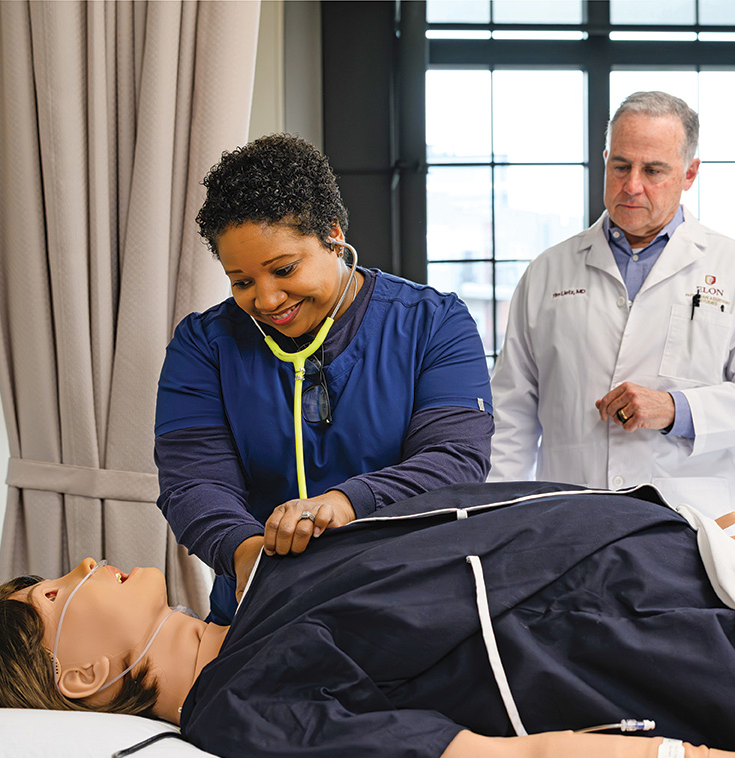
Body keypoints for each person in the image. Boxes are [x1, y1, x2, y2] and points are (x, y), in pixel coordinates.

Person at [0, 481, 735, 758]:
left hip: (698, 569)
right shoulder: (249, 712)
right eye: (57, 592)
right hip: (685, 648)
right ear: (79, 678)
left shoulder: (269, 577)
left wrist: (661, 531)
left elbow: (472, 523)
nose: (84, 563)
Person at [155, 134, 493, 623]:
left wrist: (344, 503)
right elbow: (193, 482)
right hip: (262, 609)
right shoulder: (203, 347)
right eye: (243, 282)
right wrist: (249, 557)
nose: (267, 300)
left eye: (284, 269)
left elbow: (454, 460)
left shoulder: (433, 324)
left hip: (409, 605)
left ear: (334, 235)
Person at [488, 92, 735, 527]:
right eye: (620, 166)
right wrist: (495, 520)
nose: (632, 185)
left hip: (689, 522)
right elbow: (511, 416)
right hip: (569, 514)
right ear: (604, 160)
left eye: (653, 170)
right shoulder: (549, 271)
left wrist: (677, 410)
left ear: (689, 173)